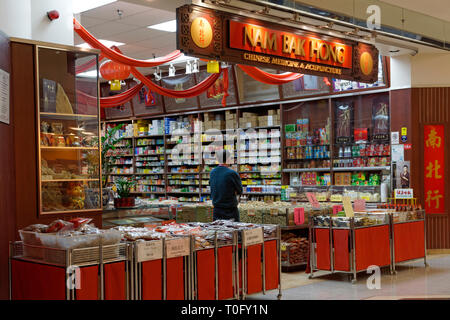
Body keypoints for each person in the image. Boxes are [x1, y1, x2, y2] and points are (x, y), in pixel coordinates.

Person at [209, 149, 243, 221]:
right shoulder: (232, 173)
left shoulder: (212, 172)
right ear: (228, 159)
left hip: (216, 210)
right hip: (230, 211)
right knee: (233, 231)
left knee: (218, 231)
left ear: (218, 159)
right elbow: (240, 191)